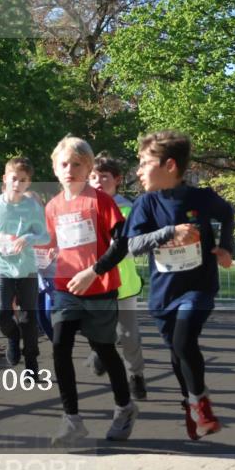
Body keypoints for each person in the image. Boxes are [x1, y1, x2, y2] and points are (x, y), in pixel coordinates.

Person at [125, 130, 234, 441]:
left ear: (169, 166)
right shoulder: (145, 204)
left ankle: (201, 404)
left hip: (198, 287)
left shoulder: (201, 198)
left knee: (185, 341)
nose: (139, 171)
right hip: (163, 294)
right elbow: (132, 245)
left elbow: (227, 214)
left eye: (145, 163)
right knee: (178, 352)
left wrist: (226, 248)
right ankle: (191, 404)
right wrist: (170, 232)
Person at [46, 136, 138, 445]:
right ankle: (71, 419)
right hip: (65, 288)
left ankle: (124, 407)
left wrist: (93, 271)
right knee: (60, 346)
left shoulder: (100, 201)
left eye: (77, 164)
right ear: (55, 169)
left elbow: (122, 243)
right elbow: (53, 245)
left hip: (99, 288)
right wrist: (40, 254)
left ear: (88, 169)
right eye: (64, 164)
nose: (69, 169)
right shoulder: (53, 206)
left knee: (104, 350)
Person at [0, 156, 49, 377]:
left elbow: (44, 235)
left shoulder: (32, 206)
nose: (18, 184)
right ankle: (13, 338)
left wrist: (29, 238)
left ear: (28, 183)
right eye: (14, 179)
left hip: (26, 269)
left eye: (23, 180)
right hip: (1, 267)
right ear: (5, 179)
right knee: (1, 313)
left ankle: (31, 361)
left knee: (28, 318)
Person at [86, 153, 148, 401]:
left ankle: (136, 375)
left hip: (123, 284)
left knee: (128, 335)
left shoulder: (127, 208)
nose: (98, 181)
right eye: (93, 177)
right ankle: (99, 352)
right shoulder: (83, 207)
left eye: (104, 177)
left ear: (117, 180)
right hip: (93, 283)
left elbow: (130, 245)